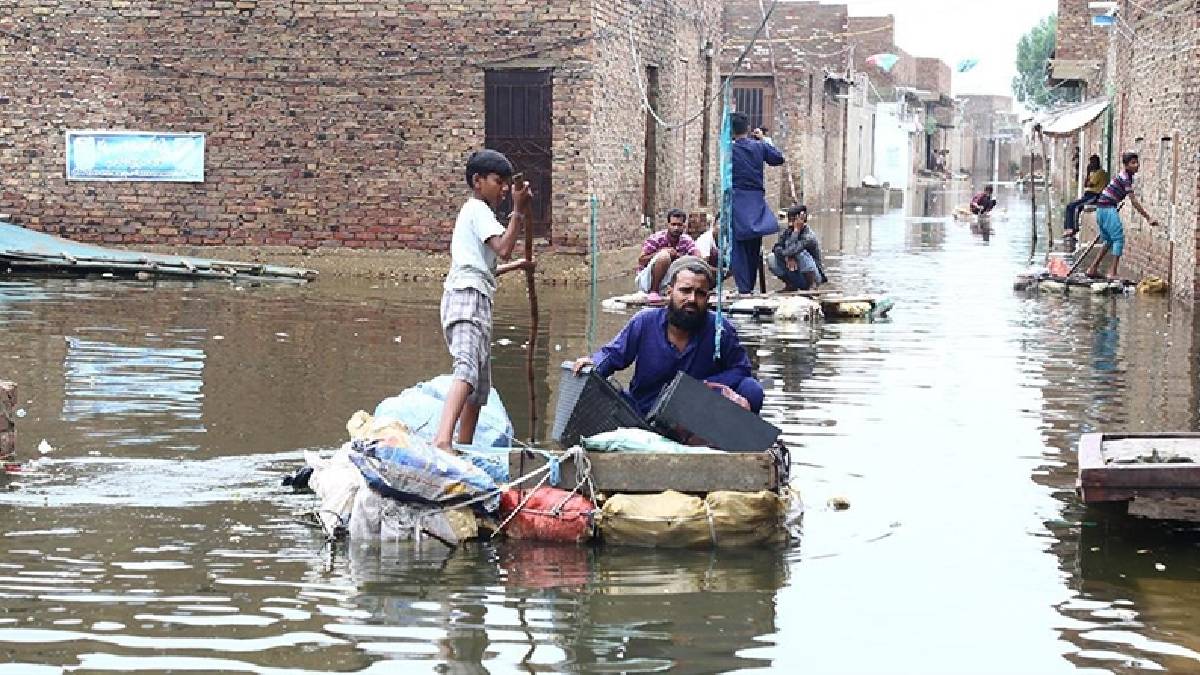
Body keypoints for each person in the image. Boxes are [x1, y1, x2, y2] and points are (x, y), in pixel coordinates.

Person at [433, 149, 535, 453]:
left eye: (507, 183)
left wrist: (520, 266)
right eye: (498, 181)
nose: (504, 188)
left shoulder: (481, 215)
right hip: (466, 296)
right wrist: (518, 210)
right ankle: (442, 441)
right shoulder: (476, 210)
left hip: (477, 295)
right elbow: (504, 248)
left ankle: (464, 446)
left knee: (479, 388)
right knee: (466, 369)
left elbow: (488, 264)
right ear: (478, 181)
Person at [573, 256, 765, 415]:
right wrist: (593, 364)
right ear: (669, 292)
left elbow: (741, 369)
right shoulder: (644, 322)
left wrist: (702, 387)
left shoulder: (720, 329)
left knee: (752, 390)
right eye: (685, 291)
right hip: (644, 411)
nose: (691, 299)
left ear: (708, 298)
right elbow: (614, 355)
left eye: (699, 293)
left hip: (697, 415)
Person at [730, 112, 785, 294]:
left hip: (737, 200)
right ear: (748, 128)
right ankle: (749, 288)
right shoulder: (759, 147)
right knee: (754, 246)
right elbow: (778, 158)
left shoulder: (729, 148)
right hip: (755, 200)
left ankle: (744, 289)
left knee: (738, 247)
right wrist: (765, 140)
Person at [1085, 151, 1159, 281]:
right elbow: (1134, 201)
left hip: (1102, 209)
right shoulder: (1125, 178)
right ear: (1126, 165)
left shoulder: (1127, 177)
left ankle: (1092, 268)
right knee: (1118, 239)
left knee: (1108, 241)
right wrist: (1148, 217)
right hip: (1107, 209)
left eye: (1137, 162)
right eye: (1133, 163)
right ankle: (1112, 272)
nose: (1136, 165)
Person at [636, 208, 698, 301]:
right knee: (664, 256)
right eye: (673, 224)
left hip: (669, 282)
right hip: (647, 280)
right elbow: (641, 260)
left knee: (693, 264)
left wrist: (678, 257)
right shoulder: (656, 238)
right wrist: (660, 252)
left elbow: (697, 259)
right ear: (668, 225)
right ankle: (654, 292)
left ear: (684, 226)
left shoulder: (687, 241)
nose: (676, 228)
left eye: (679, 225)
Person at [768, 204, 827, 291]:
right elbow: (776, 248)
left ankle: (812, 286)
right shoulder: (787, 232)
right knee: (771, 258)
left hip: (813, 276)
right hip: (796, 274)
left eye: (793, 220)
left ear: (801, 218)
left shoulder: (809, 236)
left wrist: (796, 231)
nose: (790, 223)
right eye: (790, 220)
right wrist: (787, 257)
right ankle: (791, 285)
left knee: (800, 253)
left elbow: (794, 249)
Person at [1063, 155, 1108, 238]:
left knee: (1076, 207)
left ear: (1097, 163)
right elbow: (1085, 184)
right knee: (1069, 206)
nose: (1091, 165)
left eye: (1092, 163)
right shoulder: (1093, 173)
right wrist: (1088, 174)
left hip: (1095, 196)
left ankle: (1074, 229)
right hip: (1088, 195)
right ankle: (1068, 228)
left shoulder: (1101, 173)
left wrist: (1088, 173)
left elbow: (1089, 184)